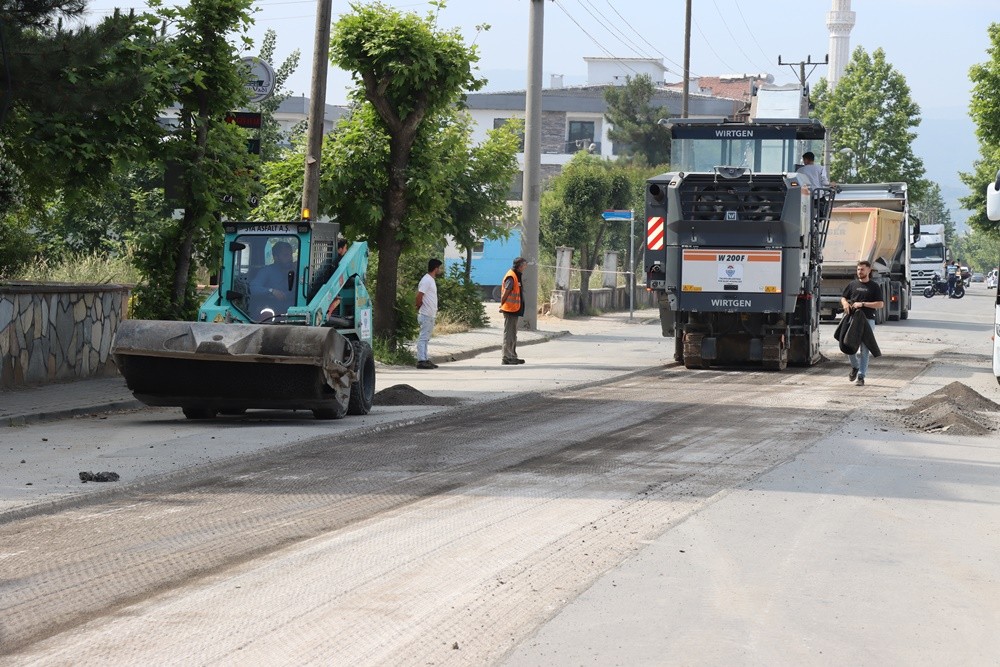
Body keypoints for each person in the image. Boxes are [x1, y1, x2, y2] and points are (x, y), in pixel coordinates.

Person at [840, 260, 884, 387]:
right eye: (858, 269)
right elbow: (843, 297)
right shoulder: (852, 284)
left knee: (864, 349)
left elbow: (880, 304)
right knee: (848, 345)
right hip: (852, 319)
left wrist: (863, 304)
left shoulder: (874, 286)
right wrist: (845, 303)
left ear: (869, 270)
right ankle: (855, 366)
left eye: (862, 269)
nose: (860, 272)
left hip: (868, 320)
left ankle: (861, 376)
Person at [250, 241, 296, 317]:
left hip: (294, 314)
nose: (290, 258)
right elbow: (253, 288)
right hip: (271, 315)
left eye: (290, 255)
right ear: (275, 257)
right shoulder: (267, 271)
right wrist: (271, 291)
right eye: (285, 255)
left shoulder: (297, 270)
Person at [415, 258, 443, 369]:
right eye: (439, 268)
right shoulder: (426, 280)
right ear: (435, 268)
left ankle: (425, 358)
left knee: (426, 338)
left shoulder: (431, 280)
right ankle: (421, 360)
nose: (439, 270)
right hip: (425, 313)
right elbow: (419, 295)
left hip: (430, 314)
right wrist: (418, 306)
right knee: (423, 337)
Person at [499, 257, 528, 365]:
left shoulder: (517, 275)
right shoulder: (511, 276)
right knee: (509, 334)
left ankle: (512, 356)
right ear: (520, 266)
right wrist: (502, 305)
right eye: (525, 265)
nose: (526, 267)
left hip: (514, 309)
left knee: (513, 334)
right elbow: (505, 293)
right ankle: (506, 357)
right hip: (510, 309)